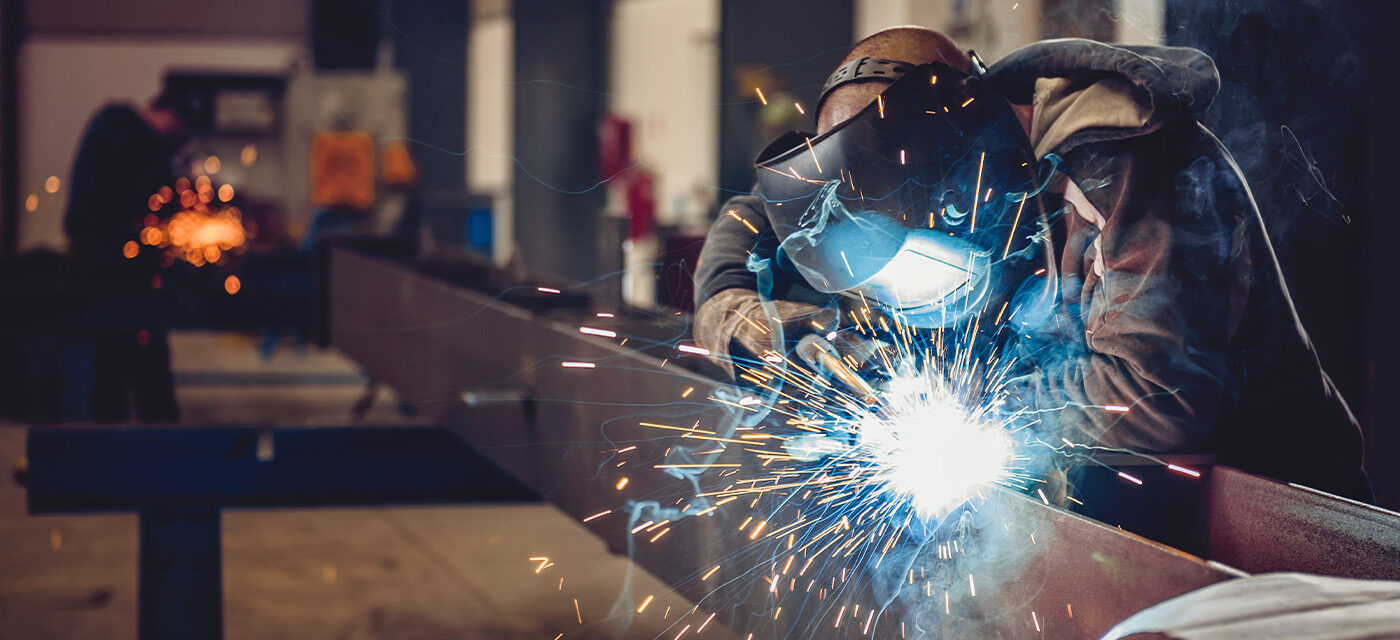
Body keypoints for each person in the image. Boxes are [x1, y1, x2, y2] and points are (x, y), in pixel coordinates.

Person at [692, 27, 1371, 501]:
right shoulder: (931, 170)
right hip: (1118, 512)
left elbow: (1151, 398)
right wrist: (732, 306)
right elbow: (754, 215)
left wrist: (957, 405)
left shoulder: (1124, 160)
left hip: (1281, 523)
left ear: (962, 164)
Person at [63, 90, 193, 423]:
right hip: (108, 263)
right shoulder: (123, 128)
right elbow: (144, 195)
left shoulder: (122, 132)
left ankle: (140, 425)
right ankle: (134, 427)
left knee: (137, 345)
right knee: (123, 348)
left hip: (117, 262)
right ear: (166, 113)